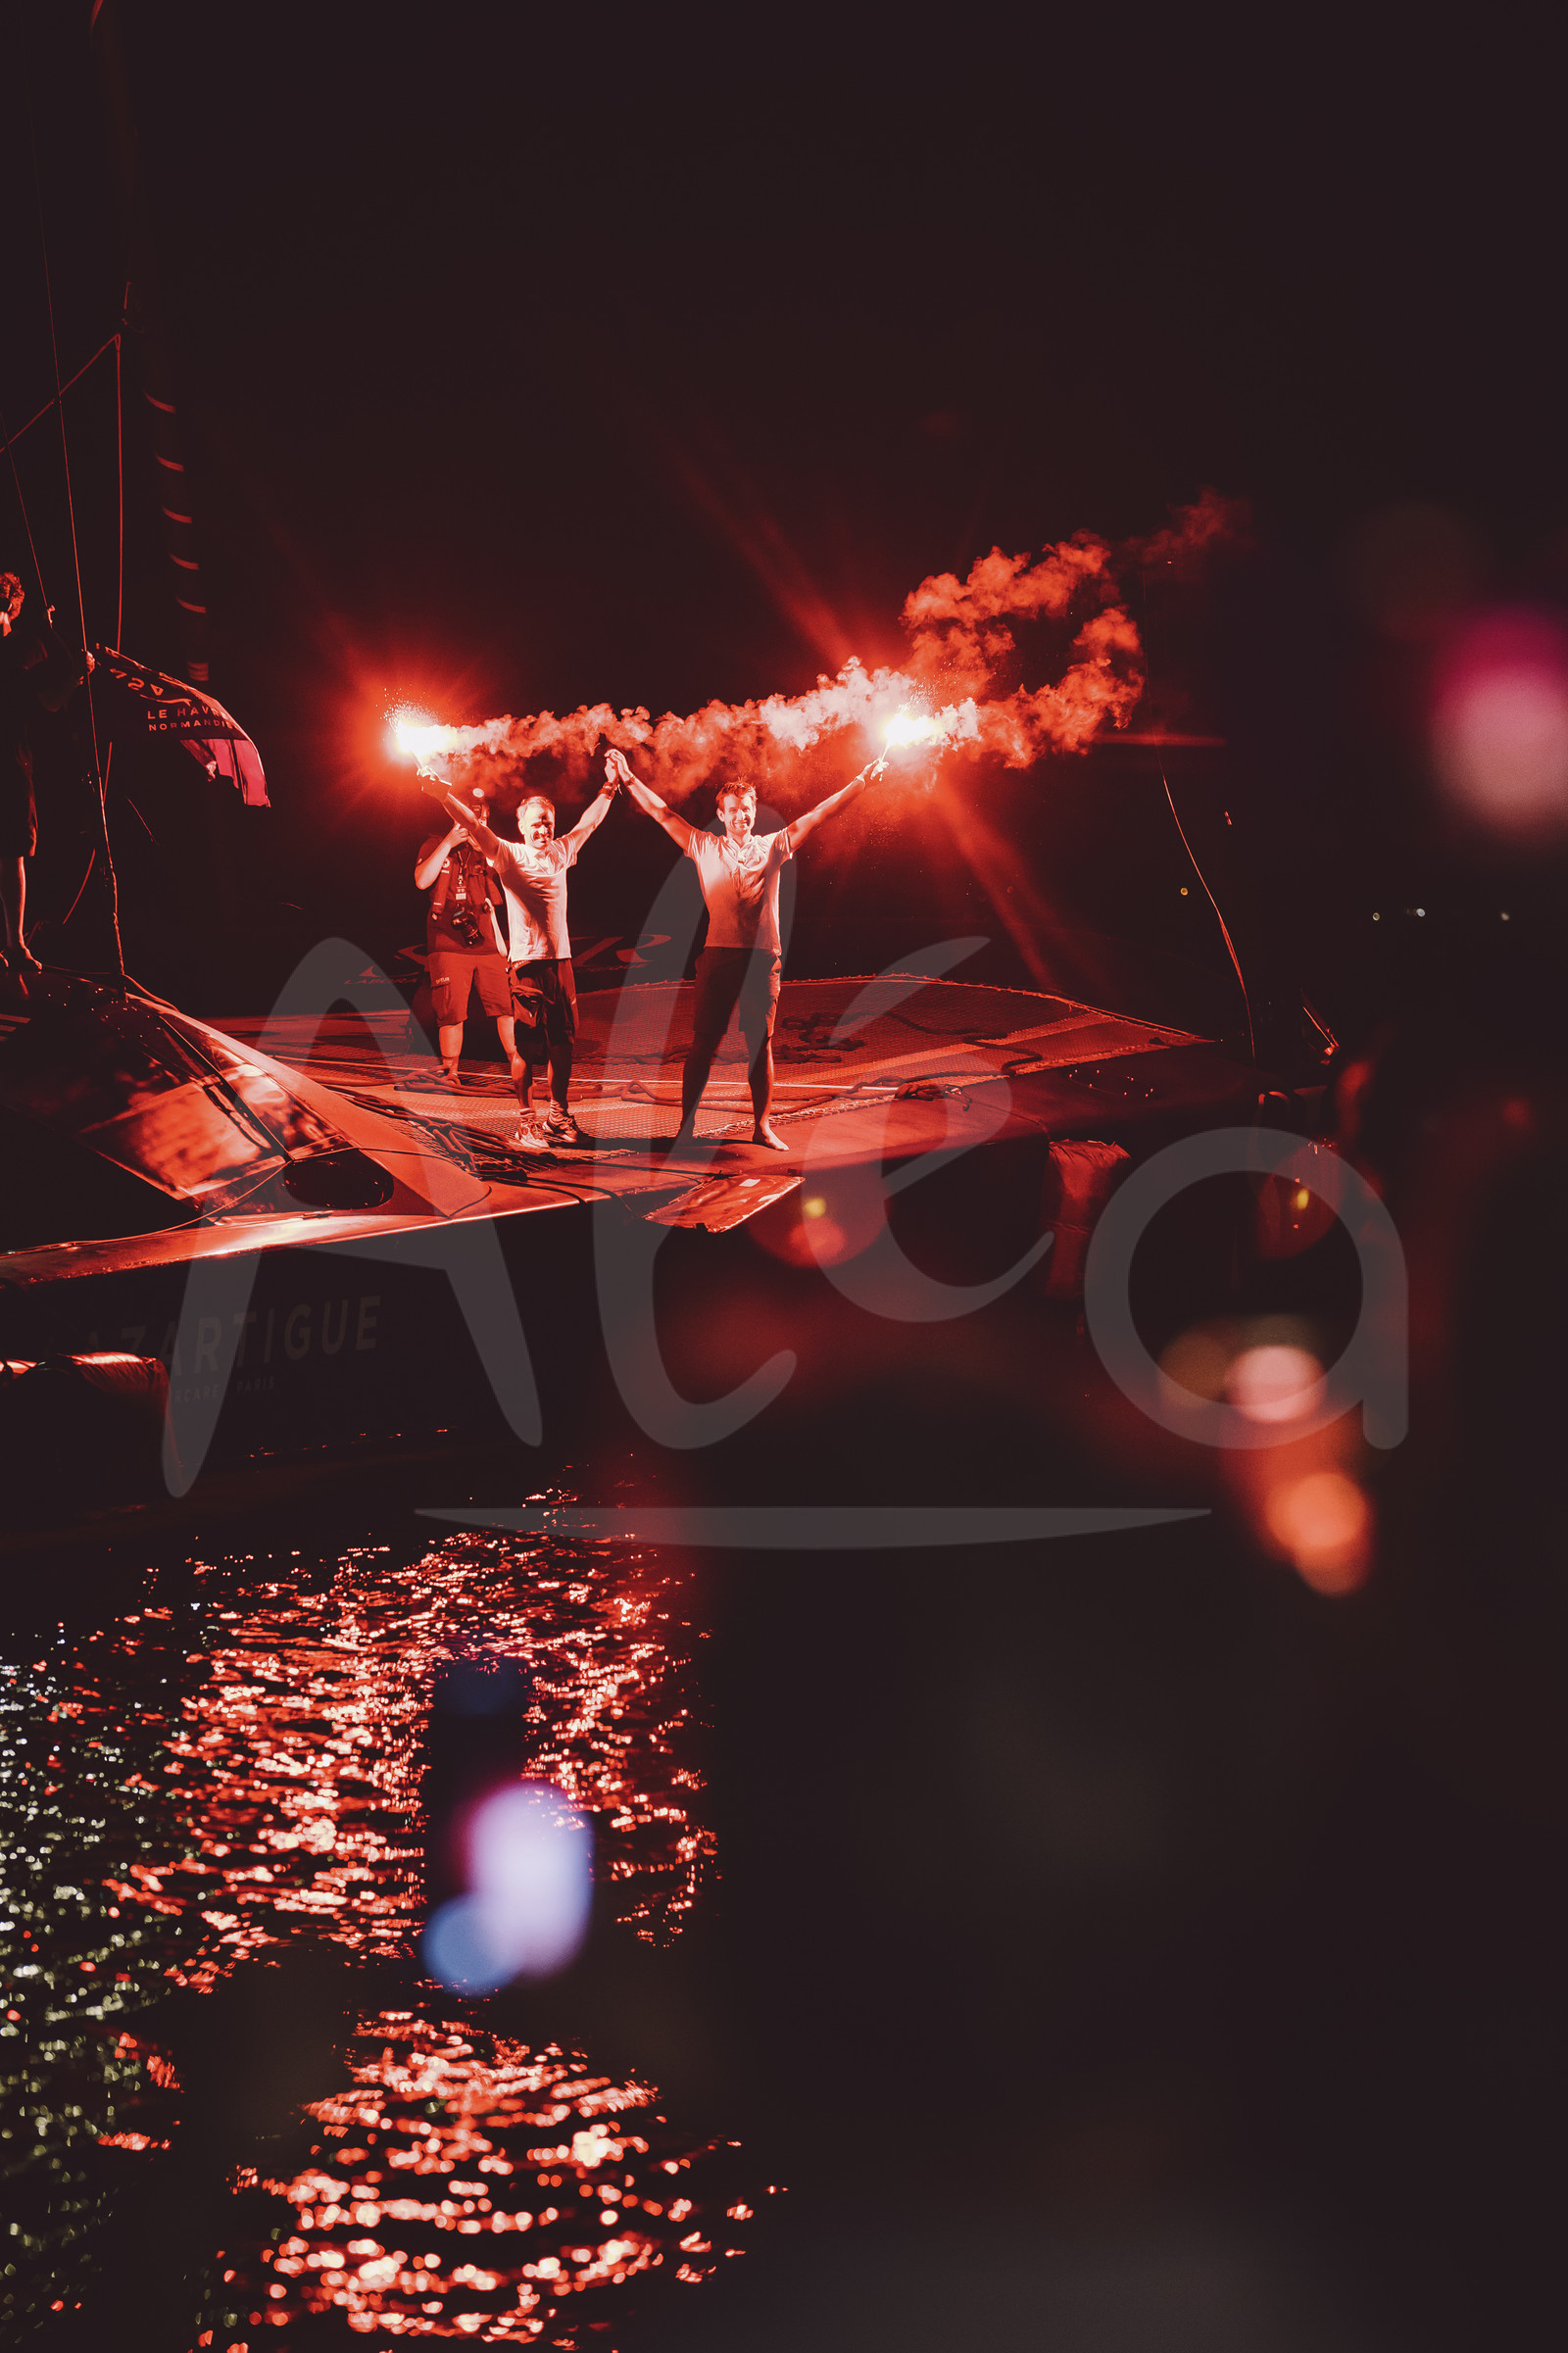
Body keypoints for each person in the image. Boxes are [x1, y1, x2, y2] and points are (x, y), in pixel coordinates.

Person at [608, 745, 886, 1149]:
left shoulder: (774, 844)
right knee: (704, 1043)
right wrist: (629, 778)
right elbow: (663, 814)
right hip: (718, 956)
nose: (742, 815)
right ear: (722, 815)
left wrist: (860, 782)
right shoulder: (703, 845)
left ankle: (762, 1126)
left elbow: (818, 815)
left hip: (762, 959)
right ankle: (686, 1128)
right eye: (734, 809)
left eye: (747, 808)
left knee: (761, 1044)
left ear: (754, 812)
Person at [422, 763, 618, 1150]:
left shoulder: (562, 852)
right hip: (527, 966)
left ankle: (557, 1116)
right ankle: (526, 1122)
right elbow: (473, 826)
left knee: (563, 1044)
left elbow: (590, 823)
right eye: (536, 822)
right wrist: (443, 794)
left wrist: (609, 787)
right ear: (522, 826)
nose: (543, 828)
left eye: (548, 822)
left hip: (561, 964)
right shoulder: (507, 854)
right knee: (525, 1049)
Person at [0, 570, 87, 973]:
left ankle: (15, 944)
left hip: (9, 761)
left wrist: (76, 674)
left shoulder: (23, 647)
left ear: (6, 604)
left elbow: (49, 702)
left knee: (11, 852)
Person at [413, 785, 521, 1089]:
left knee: (505, 1007)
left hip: (487, 940)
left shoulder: (490, 849)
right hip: (446, 941)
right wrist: (450, 841)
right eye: (471, 817)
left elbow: (508, 885)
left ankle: (518, 1067)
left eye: (482, 818)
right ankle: (451, 1074)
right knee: (451, 1012)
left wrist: (483, 843)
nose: (477, 822)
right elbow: (422, 881)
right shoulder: (435, 843)